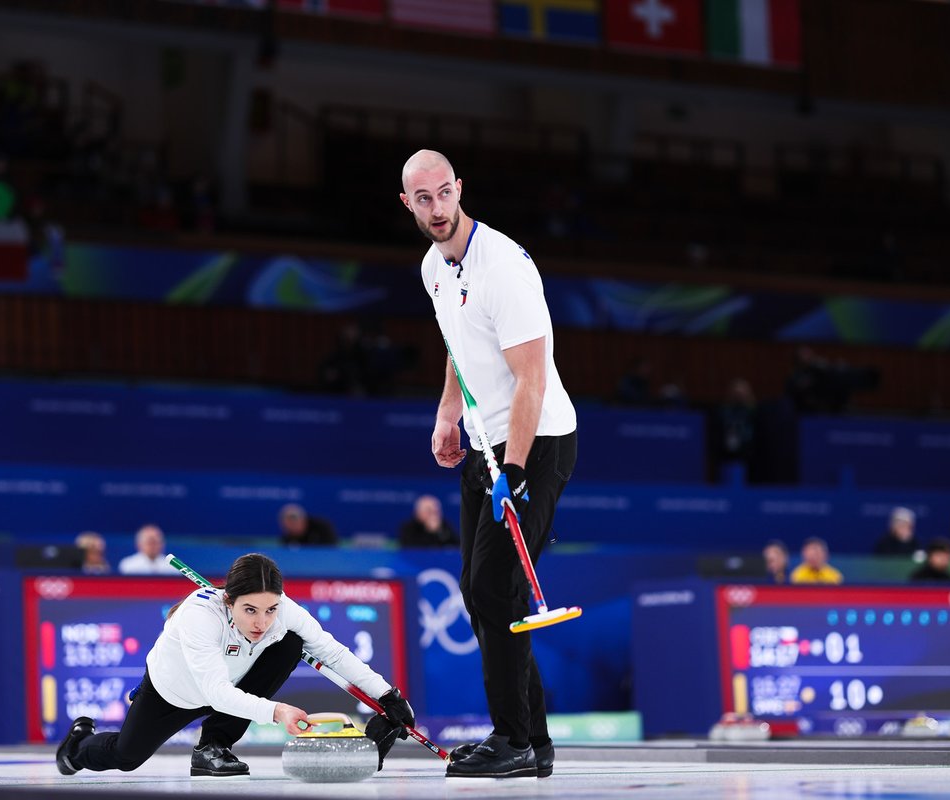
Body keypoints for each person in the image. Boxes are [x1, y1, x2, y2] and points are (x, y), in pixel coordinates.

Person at [400, 149, 578, 779]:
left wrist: (519, 470)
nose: (436, 208)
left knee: (488, 587)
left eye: (443, 193)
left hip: (537, 441)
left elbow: (531, 379)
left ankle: (512, 739)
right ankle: (532, 740)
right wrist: (448, 413)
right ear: (409, 206)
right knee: (481, 596)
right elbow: (458, 345)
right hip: (481, 443)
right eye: (423, 199)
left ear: (458, 190)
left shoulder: (503, 266)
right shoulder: (432, 267)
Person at [56, 553, 416, 778]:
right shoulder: (201, 616)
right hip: (174, 692)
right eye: (250, 610)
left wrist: (386, 694)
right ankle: (77, 745)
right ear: (229, 600)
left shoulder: (284, 613)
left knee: (291, 643)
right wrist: (276, 712)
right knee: (126, 756)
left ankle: (212, 746)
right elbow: (214, 691)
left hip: (233, 682)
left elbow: (333, 652)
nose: (262, 622)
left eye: (270, 609)